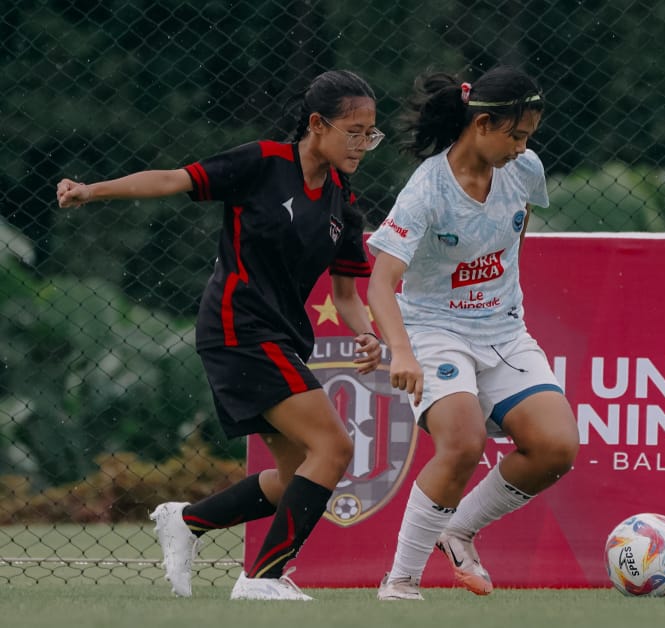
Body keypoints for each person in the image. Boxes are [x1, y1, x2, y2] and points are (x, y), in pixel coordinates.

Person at [55, 69, 384, 601]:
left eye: (370, 134)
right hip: (238, 326)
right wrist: (92, 191)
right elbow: (172, 179)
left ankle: (188, 521)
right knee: (334, 446)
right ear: (317, 124)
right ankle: (262, 579)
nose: (362, 144)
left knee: (296, 474)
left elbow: (346, 295)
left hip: (281, 337)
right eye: (354, 131)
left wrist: (367, 335)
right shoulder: (263, 161)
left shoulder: (341, 203)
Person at [366, 66, 580, 601]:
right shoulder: (426, 190)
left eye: (529, 136)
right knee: (463, 443)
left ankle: (457, 529)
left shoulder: (524, 168)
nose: (523, 147)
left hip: (504, 332)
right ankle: (401, 582)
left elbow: (513, 234)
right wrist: (401, 352)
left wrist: (501, 299)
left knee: (555, 447)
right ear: (482, 124)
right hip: (433, 331)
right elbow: (380, 284)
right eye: (516, 135)